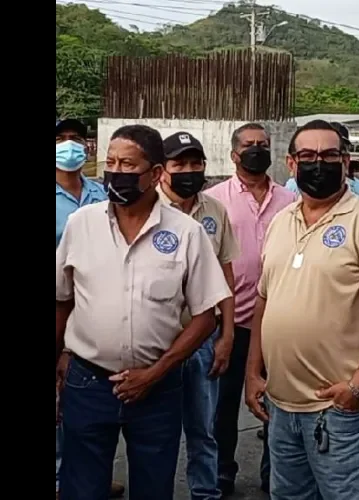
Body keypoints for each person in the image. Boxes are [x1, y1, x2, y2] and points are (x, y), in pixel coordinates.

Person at [56, 124, 233, 500]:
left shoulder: (187, 233)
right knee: (81, 488)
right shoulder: (81, 225)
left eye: (128, 164)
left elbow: (205, 315)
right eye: (111, 162)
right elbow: (61, 299)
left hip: (158, 389)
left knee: (153, 488)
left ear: (154, 175)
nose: (116, 171)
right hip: (87, 383)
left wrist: (156, 372)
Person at [243, 119, 359, 500]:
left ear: (346, 160)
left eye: (329, 155)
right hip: (282, 407)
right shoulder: (280, 222)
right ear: (291, 163)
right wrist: (253, 373)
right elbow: (264, 300)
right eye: (307, 156)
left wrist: (358, 387)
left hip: (342, 410)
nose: (318, 163)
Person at [205, 123, 297, 496]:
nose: (256, 150)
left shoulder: (290, 202)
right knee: (222, 406)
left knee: (277, 403)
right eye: (249, 145)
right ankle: (221, 470)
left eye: (262, 144)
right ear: (234, 154)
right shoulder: (214, 201)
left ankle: (274, 471)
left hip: (277, 321)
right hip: (228, 322)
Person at [158, 132, 240, 500]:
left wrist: (227, 336)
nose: (188, 171)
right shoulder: (147, 210)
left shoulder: (215, 211)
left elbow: (225, 275)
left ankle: (205, 493)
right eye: (179, 164)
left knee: (203, 428)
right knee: (156, 431)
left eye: (196, 164)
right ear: (162, 170)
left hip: (204, 339)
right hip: (157, 342)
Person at [54, 118, 124, 499]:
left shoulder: (101, 193)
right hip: (59, 301)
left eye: (76, 139)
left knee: (85, 400)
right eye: (61, 139)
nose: (69, 146)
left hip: (91, 305)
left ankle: (87, 474)